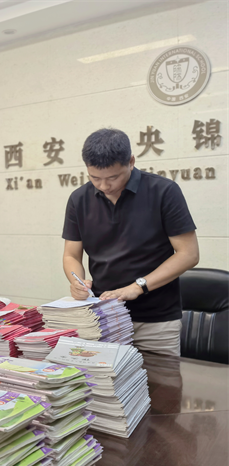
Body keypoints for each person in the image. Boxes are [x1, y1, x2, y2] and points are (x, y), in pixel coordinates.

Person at [62, 128, 199, 356]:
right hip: (104, 317)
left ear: (131, 162)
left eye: (113, 177)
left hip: (156, 320)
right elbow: (71, 255)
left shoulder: (163, 191)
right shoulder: (79, 199)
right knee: (105, 377)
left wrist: (137, 287)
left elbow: (188, 254)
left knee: (161, 379)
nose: (104, 186)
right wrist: (77, 281)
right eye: (95, 178)